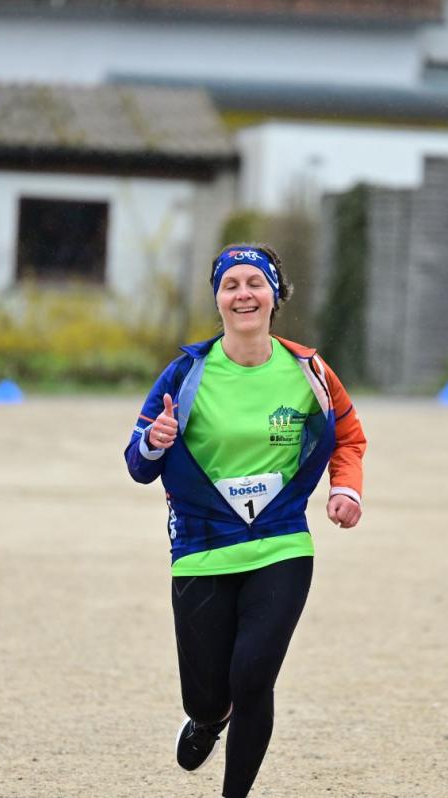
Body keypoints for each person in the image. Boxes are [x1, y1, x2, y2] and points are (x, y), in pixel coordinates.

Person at [125, 243, 366, 798]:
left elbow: (348, 436)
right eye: (230, 285)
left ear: (275, 295)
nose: (243, 294)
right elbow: (137, 464)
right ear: (217, 299)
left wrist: (345, 488)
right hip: (202, 546)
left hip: (282, 544)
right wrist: (156, 441)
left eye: (254, 283)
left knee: (253, 676)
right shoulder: (186, 373)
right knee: (208, 695)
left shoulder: (310, 371)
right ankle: (210, 718)